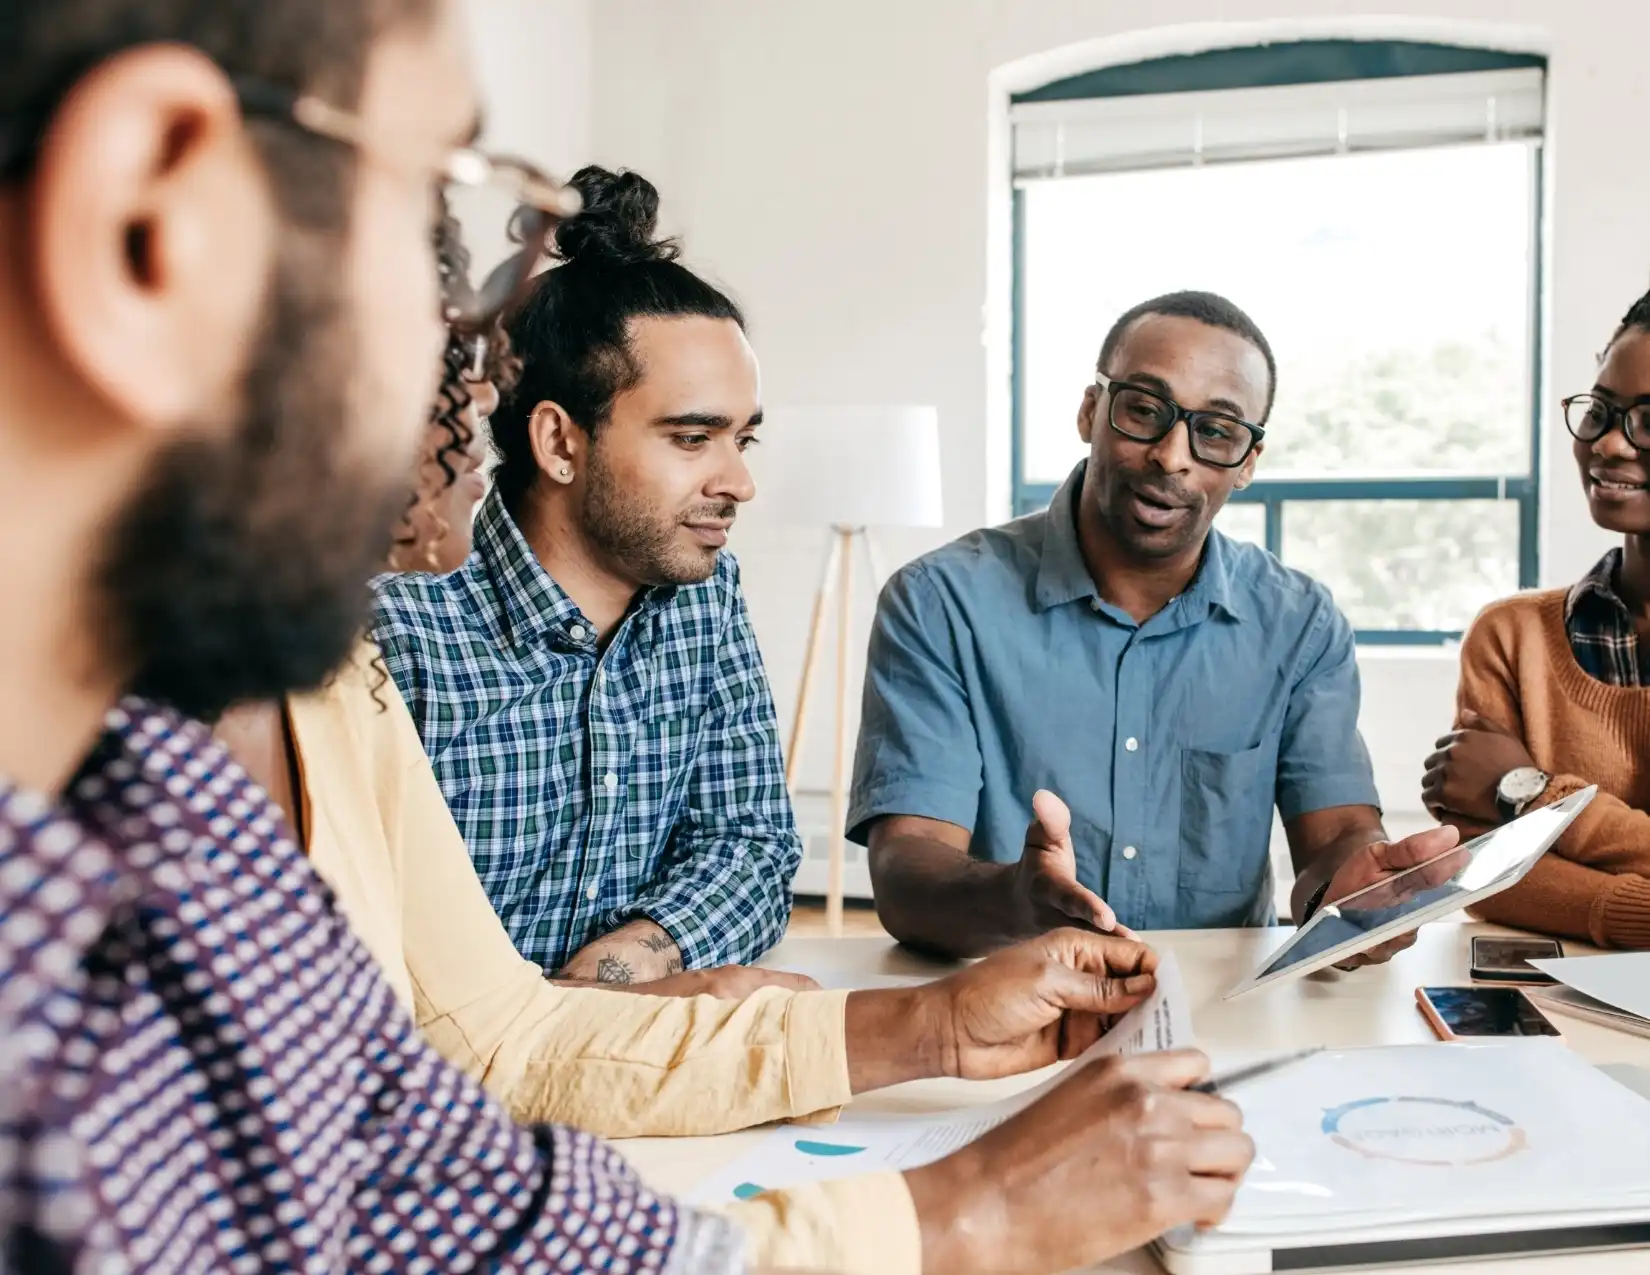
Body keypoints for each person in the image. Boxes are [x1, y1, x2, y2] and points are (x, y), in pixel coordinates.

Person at [0, 10, 1253, 1270]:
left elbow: (484, 1074)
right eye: (430, 221)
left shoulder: (281, 707)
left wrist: (931, 1040)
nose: (476, 353)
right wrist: (970, 1214)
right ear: (147, 223)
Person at [217, 255, 1223, 1269]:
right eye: (695, 438)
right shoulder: (368, 640)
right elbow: (420, 1123)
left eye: (739, 439)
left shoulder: (340, 684)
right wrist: (969, 1212)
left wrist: (939, 1028)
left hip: (619, 1107)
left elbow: (694, 890)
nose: (474, 415)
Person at [851, 290, 1460, 960]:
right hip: (1003, 1000)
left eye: (1218, 432)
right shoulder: (941, 602)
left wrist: (1356, 893)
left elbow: (1337, 839)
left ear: (1249, 460)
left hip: (1222, 1014)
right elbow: (906, 870)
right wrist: (1015, 899)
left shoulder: (1299, 625)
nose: (1172, 456)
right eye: (1143, 409)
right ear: (1091, 411)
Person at [373, 166, 801, 984]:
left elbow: (752, 846)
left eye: (741, 439)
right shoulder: (398, 629)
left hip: (623, 1058)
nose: (738, 482)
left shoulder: (705, 593)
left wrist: (618, 968)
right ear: (560, 443)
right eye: (691, 438)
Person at [1423, 287, 1650, 950]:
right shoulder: (1511, 638)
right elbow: (1480, 872)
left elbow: (1516, 853)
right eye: (1601, 411)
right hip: (1552, 1021)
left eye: (1648, 418)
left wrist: (1523, 789)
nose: (1607, 443)